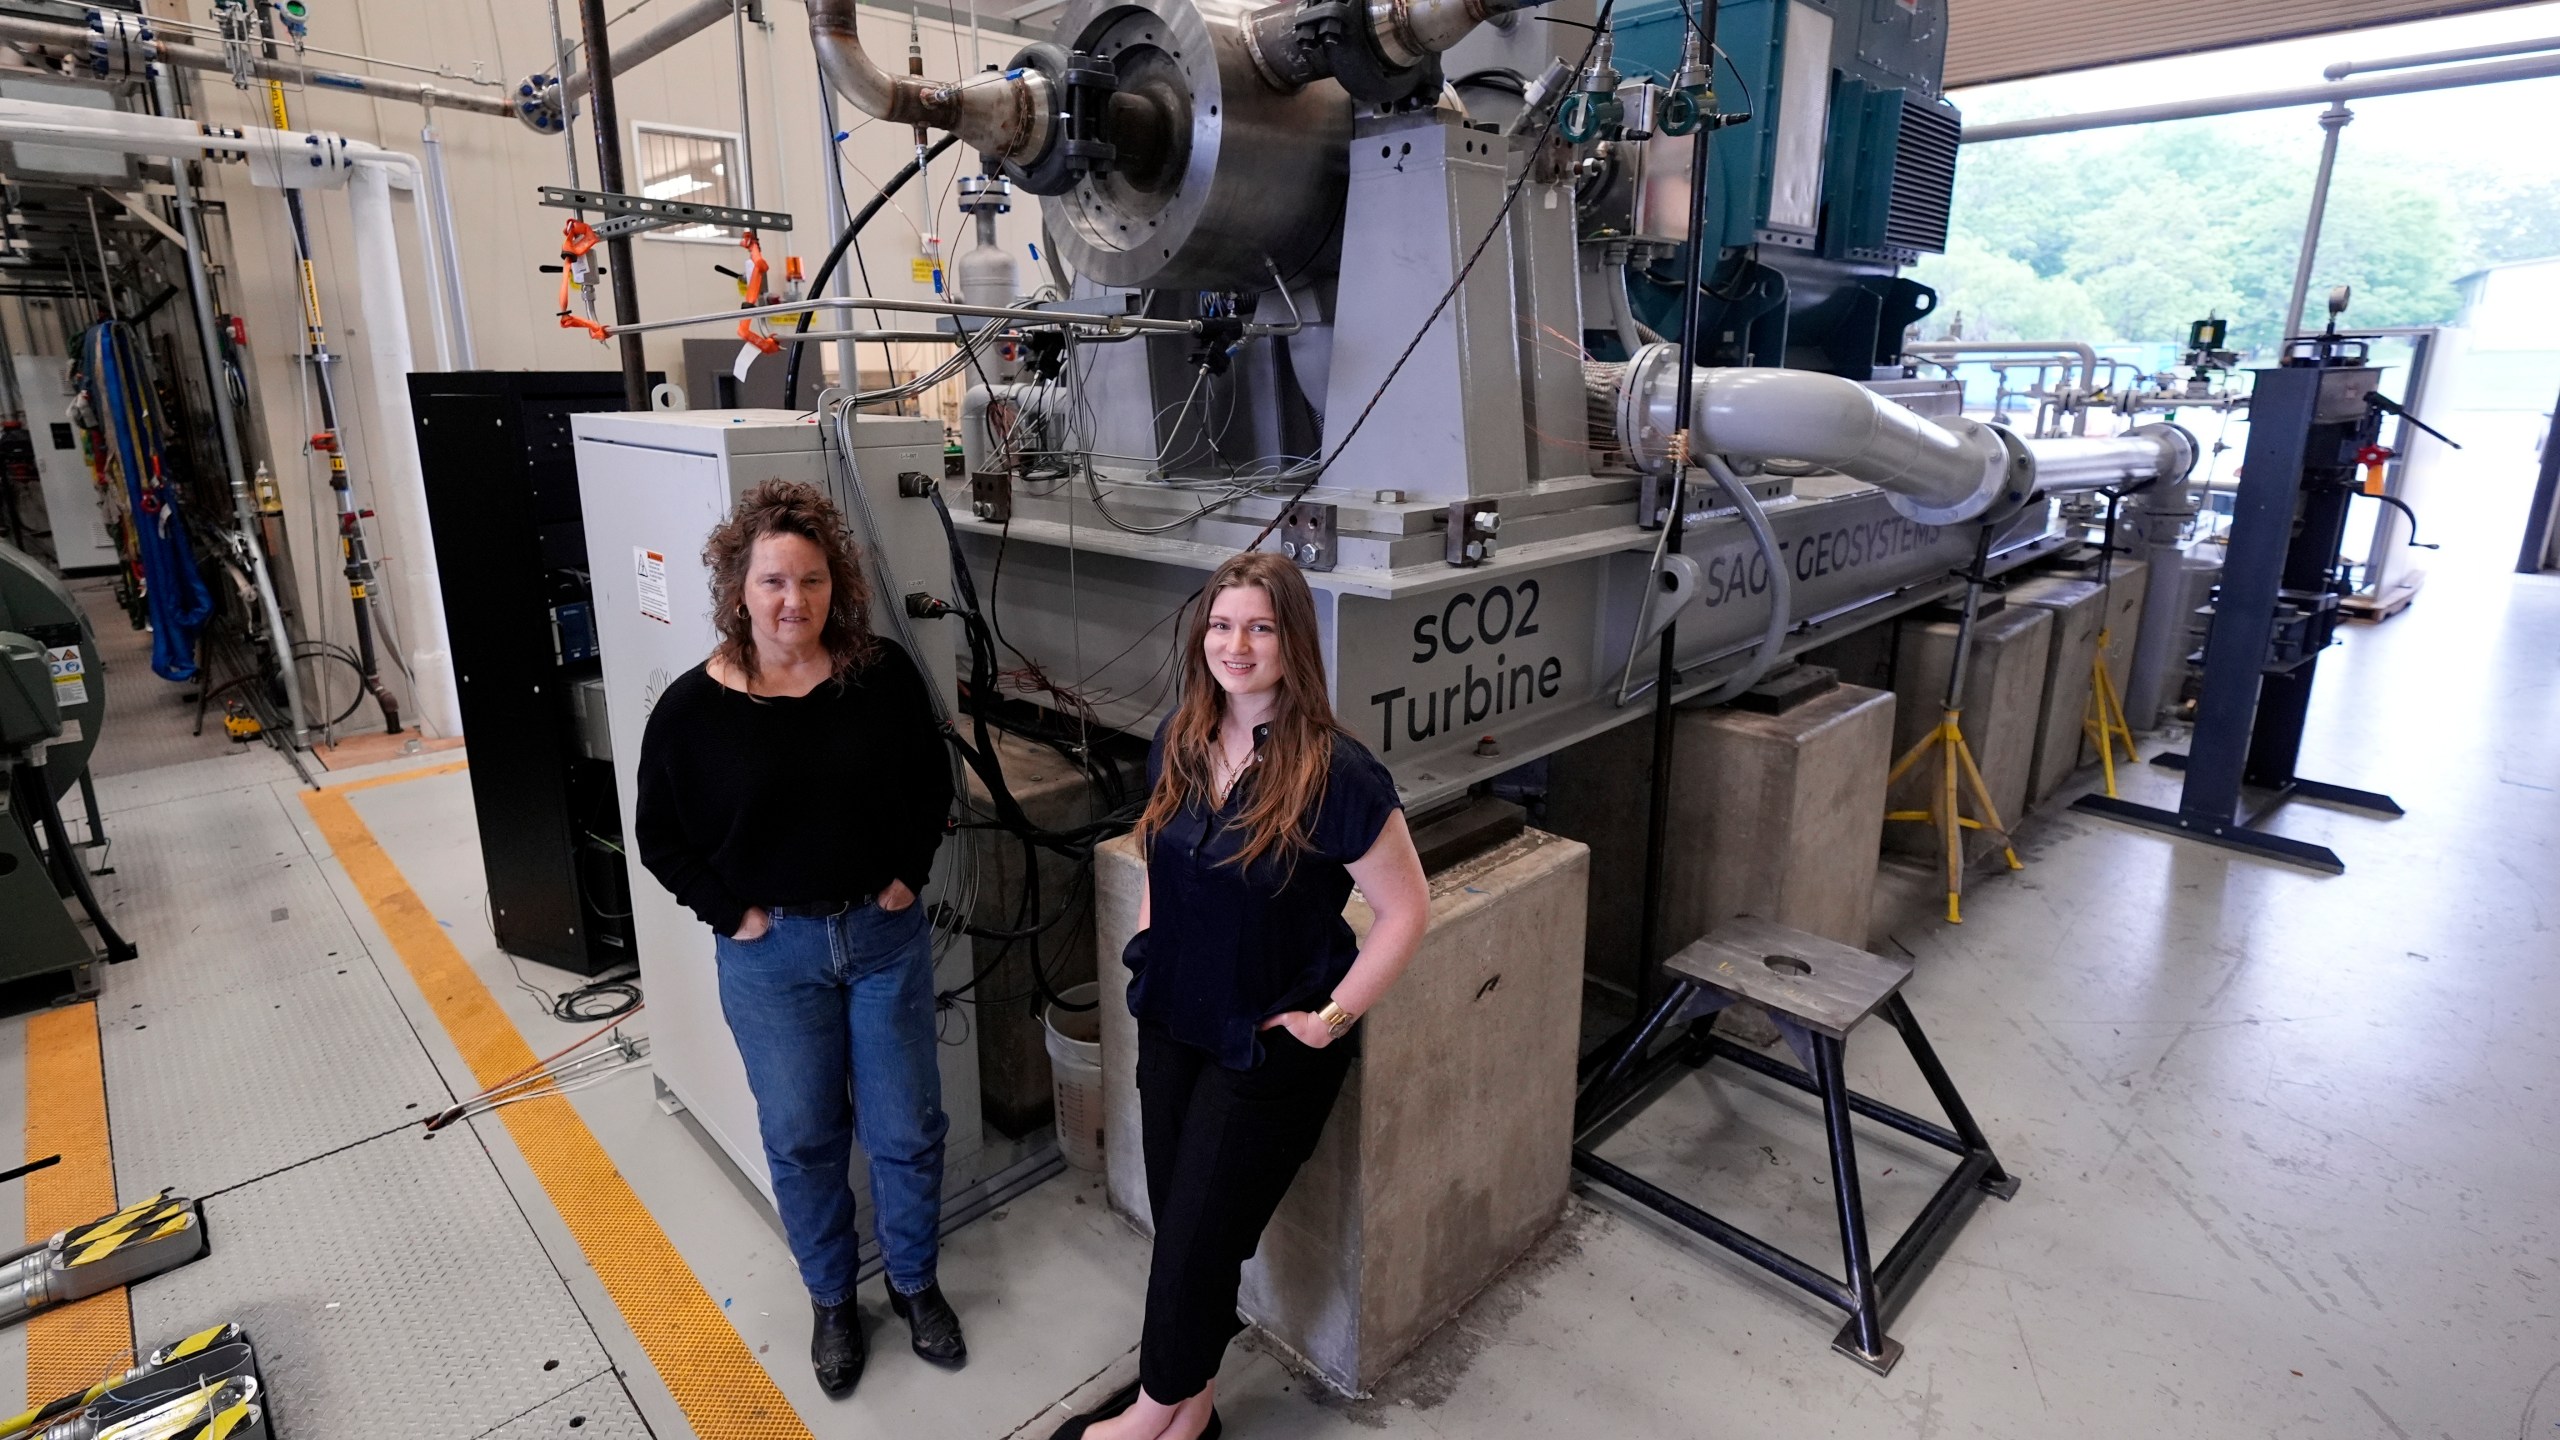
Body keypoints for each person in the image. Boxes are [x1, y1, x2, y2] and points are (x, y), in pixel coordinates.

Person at [1063, 551, 1434, 1440]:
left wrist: (1329, 1020)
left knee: (1197, 1237)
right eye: (1223, 626)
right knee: (1185, 1219)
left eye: (1260, 627)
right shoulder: (1184, 738)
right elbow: (1162, 848)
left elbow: (1405, 910)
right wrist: (1151, 949)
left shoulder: (1336, 773)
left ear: (1292, 642)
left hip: (1268, 1045)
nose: (1237, 644)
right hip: (1175, 1019)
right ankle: (1194, 1410)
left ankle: (1152, 1413)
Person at [634, 478, 964, 1399]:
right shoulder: (692, 714)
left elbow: (931, 784)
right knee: (806, 1137)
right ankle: (832, 1301)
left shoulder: (881, 675)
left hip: (881, 936)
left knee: (906, 1129)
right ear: (739, 588)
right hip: (772, 957)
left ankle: (913, 1283)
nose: (794, 602)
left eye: (812, 580)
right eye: (775, 581)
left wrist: (907, 872)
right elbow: (661, 836)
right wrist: (731, 914)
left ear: (836, 584)